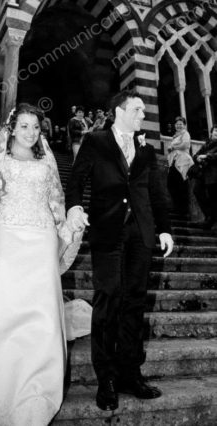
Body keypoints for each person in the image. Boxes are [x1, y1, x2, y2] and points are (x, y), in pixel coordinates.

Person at [0, 103, 89, 426]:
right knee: (6, 309)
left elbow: (55, 203)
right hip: (6, 240)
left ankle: (39, 387)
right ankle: (0, 383)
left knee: (42, 312)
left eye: (35, 127)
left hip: (41, 241)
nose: (31, 133)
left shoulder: (46, 163)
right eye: (24, 126)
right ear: (12, 129)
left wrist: (65, 229)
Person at [65, 90, 174, 411]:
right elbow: (76, 180)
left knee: (134, 303)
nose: (143, 115)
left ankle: (130, 373)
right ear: (120, 111)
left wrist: (165, 227)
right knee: (109, 299)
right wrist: (74, 207)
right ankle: (106, 378)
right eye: (138, 109)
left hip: (141, 234)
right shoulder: (96, 141)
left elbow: (157, 192)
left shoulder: (147, 149)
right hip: (107, 231)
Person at [190, 125, 217, 231]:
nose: (216, 133)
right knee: (197, 191)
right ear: (211, 132)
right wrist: (198, 158)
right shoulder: (206, 144)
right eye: (215, 130)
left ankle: (210, 220)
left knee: (213, 198)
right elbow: (195, 155)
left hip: (214, 175)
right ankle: (210, 217)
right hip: (203, 174)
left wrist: (206, 156)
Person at [167, 116, 193, 216]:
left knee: (181, 185)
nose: (179, 126)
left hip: (183, 162)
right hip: (175, 162)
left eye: (181, 124)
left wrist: (172, 147)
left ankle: (183, 210)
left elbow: (185, 145)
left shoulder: (185, 134)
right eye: (177, 124)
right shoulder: (175, 136)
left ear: (184, 125)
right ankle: (178, 207)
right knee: (172, 184)